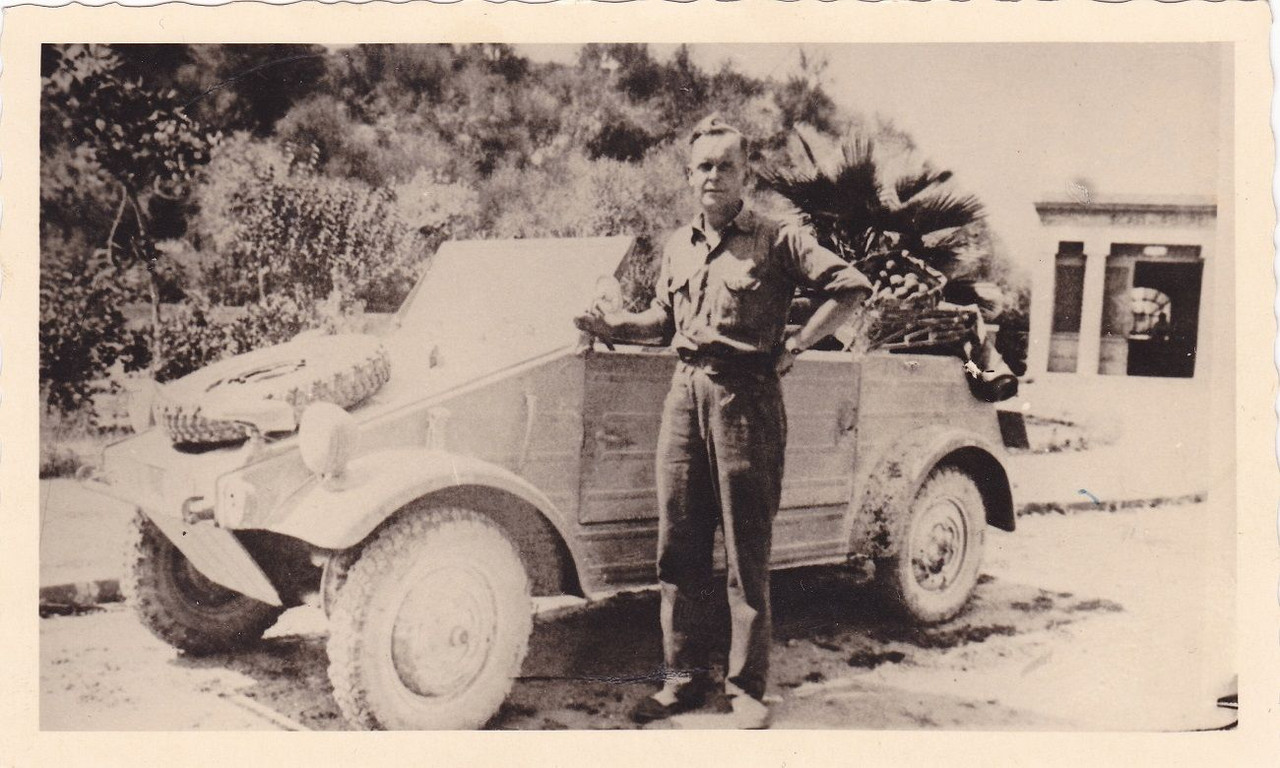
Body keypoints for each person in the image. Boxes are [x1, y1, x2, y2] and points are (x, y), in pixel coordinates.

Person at [574, 115, 872, 729]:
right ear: (689, 177)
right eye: (703, 166)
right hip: (683, 398)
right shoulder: (678, 244)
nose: (713, 176)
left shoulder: (777, 237)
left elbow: (851, 286)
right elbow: (661, 322)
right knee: (677, 548)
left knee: (745, 553)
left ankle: (745, 689)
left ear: (747, 175)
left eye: (726, 166)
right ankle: (681, 680)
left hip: (747, 403)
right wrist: (611, 326)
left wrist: (797, 347)